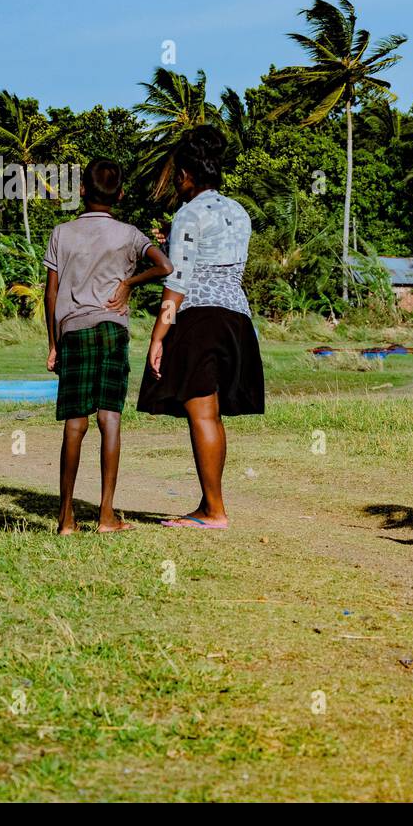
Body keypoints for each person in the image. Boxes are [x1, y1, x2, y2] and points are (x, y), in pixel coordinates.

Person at [138, 126, 264, 529]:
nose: (176, 180)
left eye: (179, 173)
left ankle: (214, 510)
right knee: (212, 415)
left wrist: (158, 335)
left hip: (200, 318)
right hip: (237, 320)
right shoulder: (240, 212)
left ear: (189, 173)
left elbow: (178, 282)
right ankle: (211, 504)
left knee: (202, 415)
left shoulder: (188, 214)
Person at [43, 158, 172, 534]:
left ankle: (66, 518)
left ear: (82, 190)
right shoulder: (130, 234)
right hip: (112, 330)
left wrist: (53, 343)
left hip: (73, 331)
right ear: (120, 193)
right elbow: (164, 266)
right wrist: (130, 283)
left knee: (74, 423)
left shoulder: (61, 233)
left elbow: (51, 293)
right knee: (109, 418)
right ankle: (106, 515)